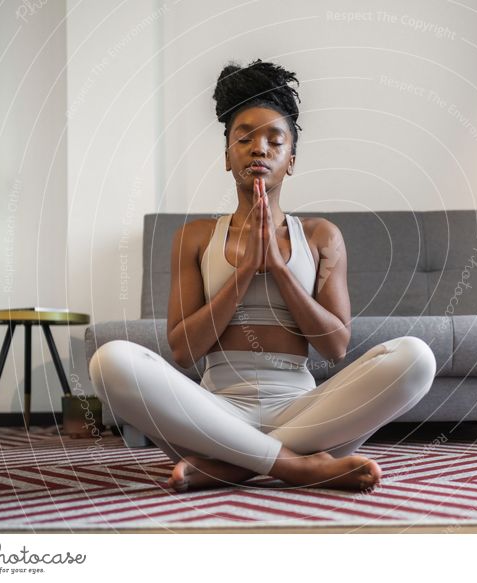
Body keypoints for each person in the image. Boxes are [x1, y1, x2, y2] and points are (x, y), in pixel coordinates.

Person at [89, 59, 437, 493]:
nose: (260, 149)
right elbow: (183, 350)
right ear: (227, 156)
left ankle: (233, 466)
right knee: (110, 361)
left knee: (416, 358)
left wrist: (277, 267)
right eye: (245, 138)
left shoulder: (319, 235)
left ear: (291, 160)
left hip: (305, 414)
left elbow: (335, 346)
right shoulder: (194, 238)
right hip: (212, 415)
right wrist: (244, 273)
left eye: (275, 141)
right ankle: (298, 466)